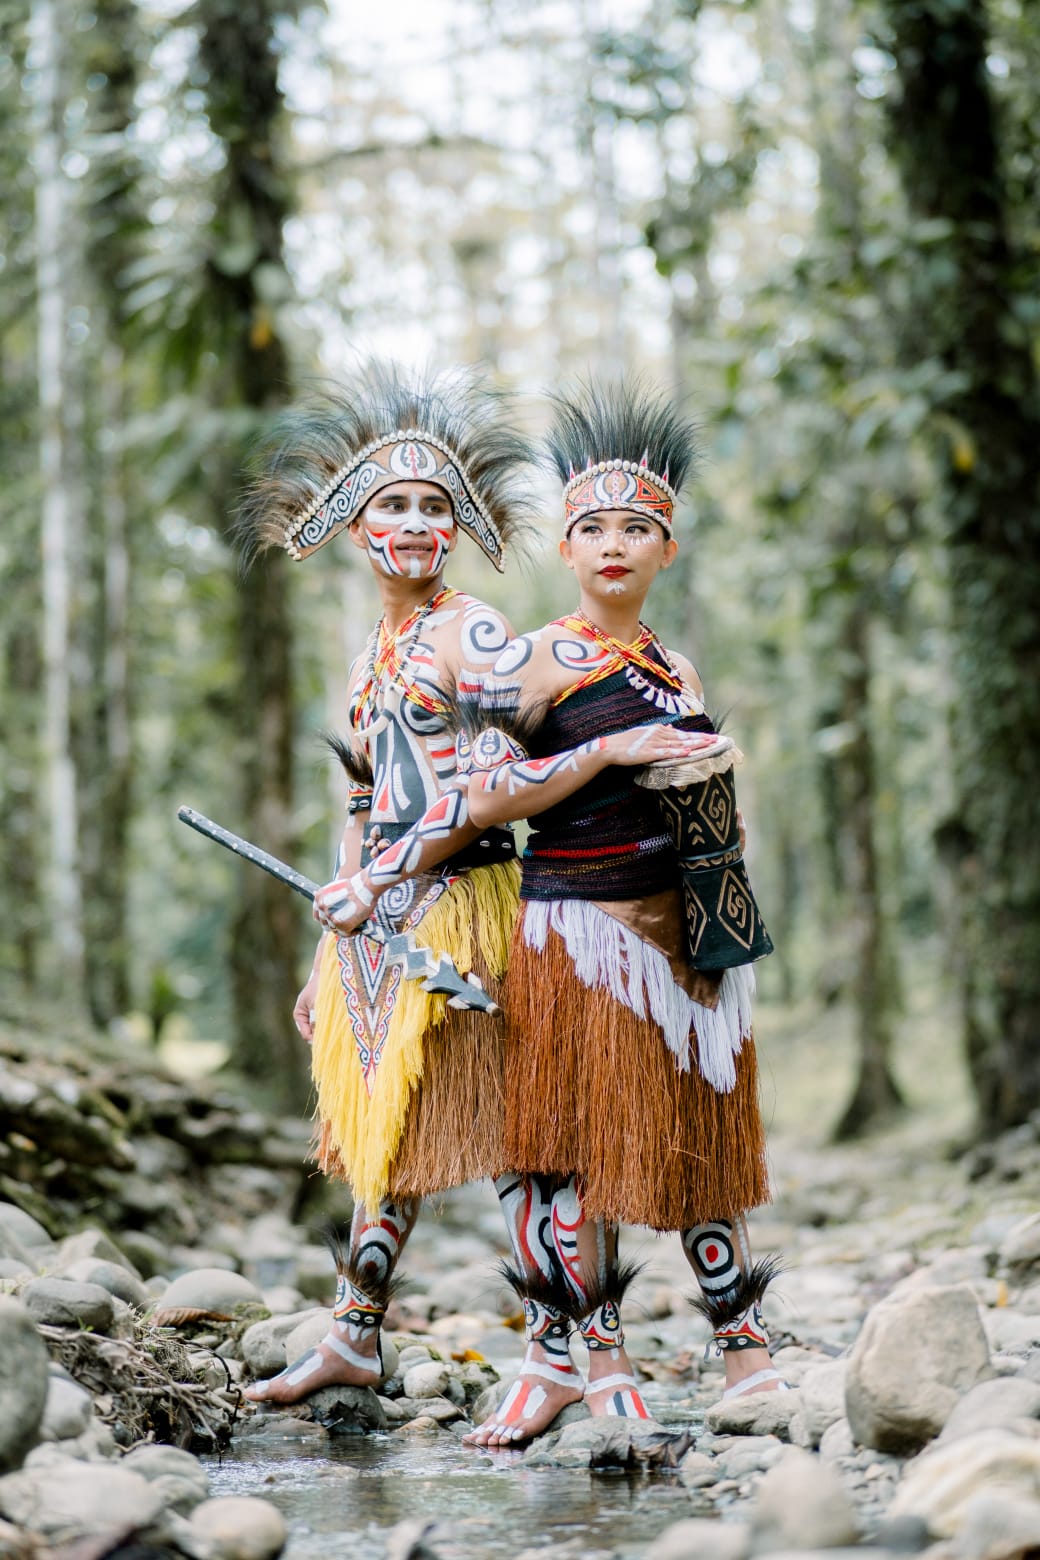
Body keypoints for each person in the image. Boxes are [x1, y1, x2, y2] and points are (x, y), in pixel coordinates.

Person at [456, 381, 784, 1447]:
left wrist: (713, 802)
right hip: (578, 931)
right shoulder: (530, 657)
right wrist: (604, 750)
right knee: (576, 1147)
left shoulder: (674, 667)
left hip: (685, 934)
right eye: (593, 528)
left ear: (665, 550)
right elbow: (483, 796)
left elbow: (694, 782)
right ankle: (598, 1362)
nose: (613, 545)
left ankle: (744, 1353)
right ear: (565, 546)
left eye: (635, 529)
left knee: (701, 1141)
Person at [235, 363, 534, 1404]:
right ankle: (353, 1336)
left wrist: (387, 881)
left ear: (455, 530)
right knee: (385, 1130)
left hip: (473, 905)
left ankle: (568, 1356)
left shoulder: (474, 632)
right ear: (357, 529)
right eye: (393, 507)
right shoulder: (375, 647)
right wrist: (334, 940)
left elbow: (495, 789)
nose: (414, 525)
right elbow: (367, 801)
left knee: (512, 1129)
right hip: (379, 914)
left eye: (433, 508)